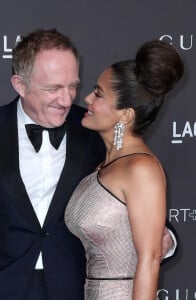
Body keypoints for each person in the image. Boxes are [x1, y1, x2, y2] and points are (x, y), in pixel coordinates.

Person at [0, 29, 176, 300]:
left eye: (73, 85)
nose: (67, 100)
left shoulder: (92, 128)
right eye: (53, 88)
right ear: (20, 84)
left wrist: (162, 241)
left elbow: (140, 202)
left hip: (73, 289)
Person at [65, 40, 184, 299]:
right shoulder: (103, 165)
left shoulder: (141, 169)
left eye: (98, 94)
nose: (87, 99)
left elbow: (150, 260)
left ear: (125, 115)